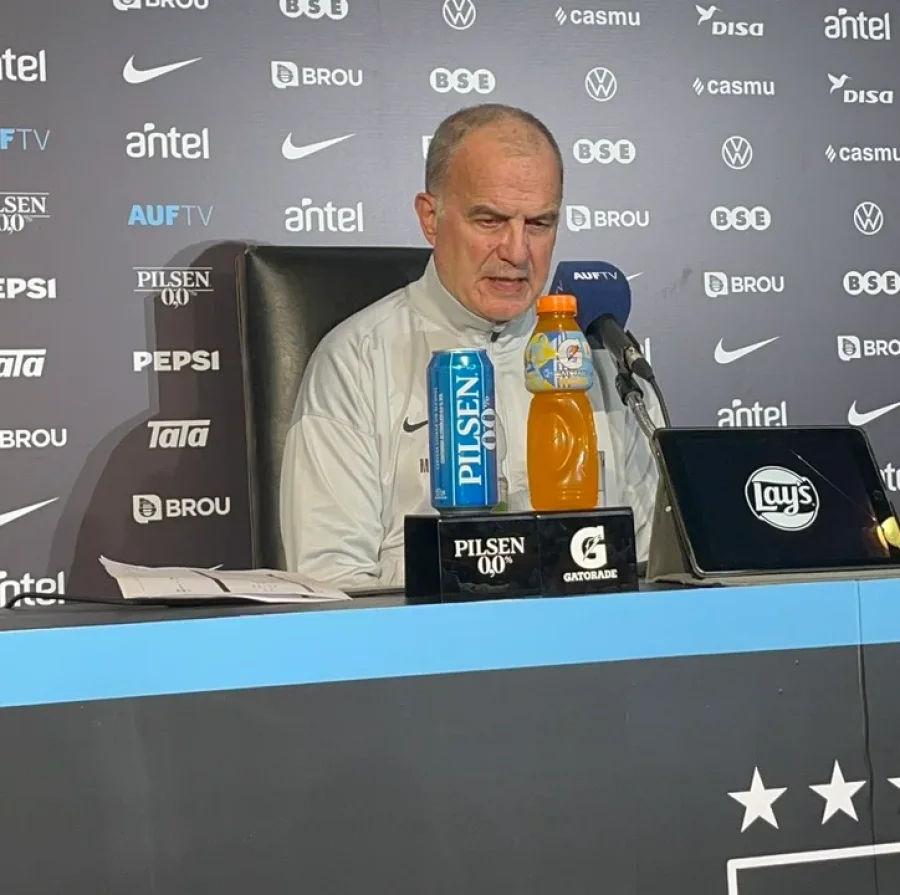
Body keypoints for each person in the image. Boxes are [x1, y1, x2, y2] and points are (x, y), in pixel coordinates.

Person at [279, 103, 660, 589]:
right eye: (490, 221)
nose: (517, 252)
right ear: (431, 217)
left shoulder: (604, 359)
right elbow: (330, 583)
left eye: (539, 224)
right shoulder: (357, 362)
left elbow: (661, 563)